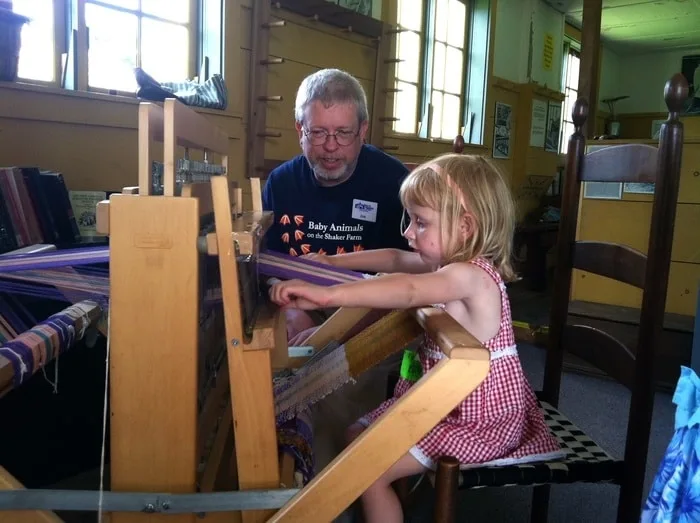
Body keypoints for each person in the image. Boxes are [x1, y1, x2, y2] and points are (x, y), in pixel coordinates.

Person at [269, 153, 566, 523]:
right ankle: (393, 506)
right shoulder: (446, 264)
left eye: (420, 222)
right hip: (444, 402)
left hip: (478, 421)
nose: (409, 231)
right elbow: (394, 258)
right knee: (354, 434)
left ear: (466, 226)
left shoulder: (472, 277)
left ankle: (385, 500)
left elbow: (408, 290)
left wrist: (329, 295)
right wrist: (331, 264)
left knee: (370, 470)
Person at [261, 68, 410, 341]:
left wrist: (335, 332)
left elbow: (411, 272)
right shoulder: (280, 183)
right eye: (317, 132)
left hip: (372, 313)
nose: (331, 146)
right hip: (301, 305)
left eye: (343, 133)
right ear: (299, 130)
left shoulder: (395, 183)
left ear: (362, 131)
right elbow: (268, 263)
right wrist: (283, 301)